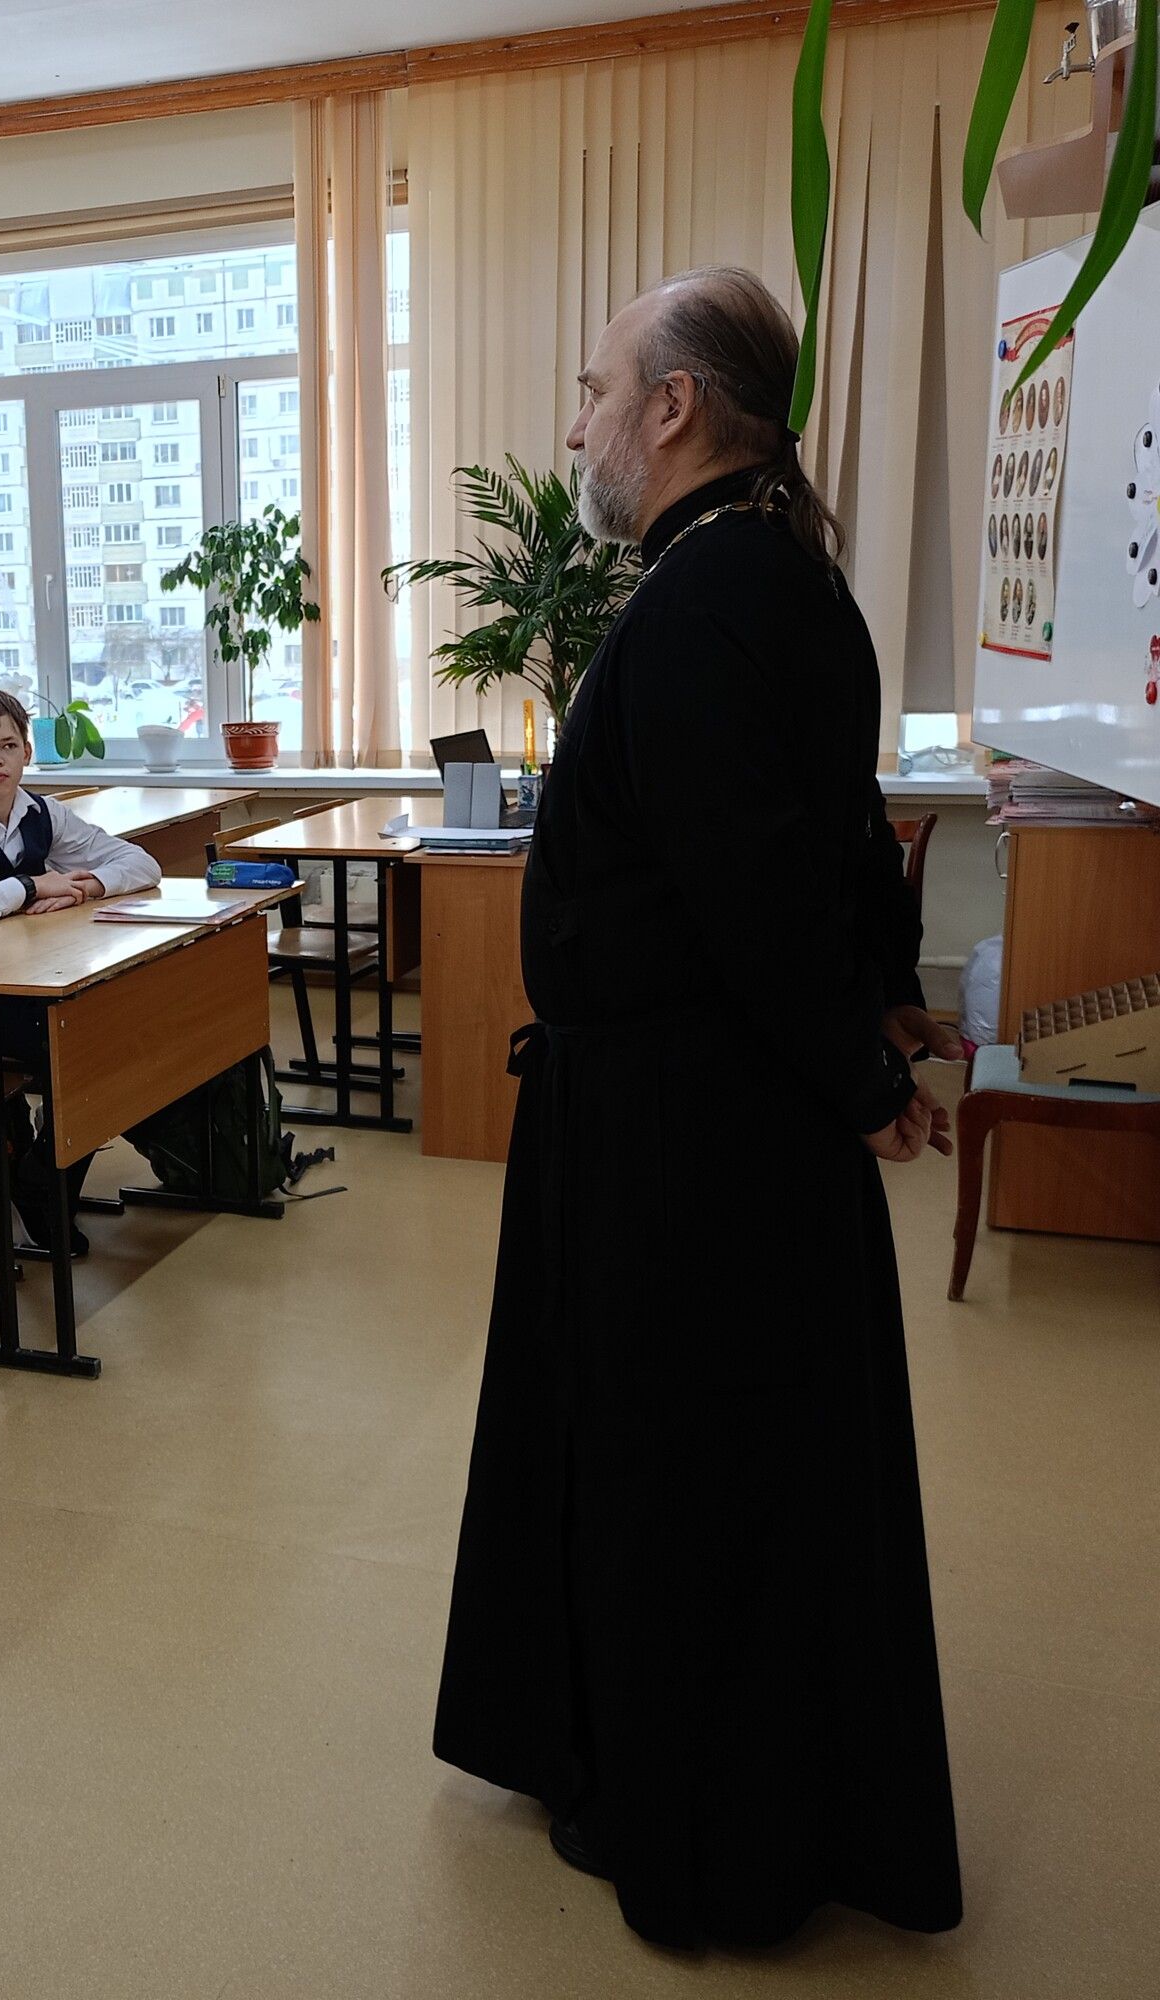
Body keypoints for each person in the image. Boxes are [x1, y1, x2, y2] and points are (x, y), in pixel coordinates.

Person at [432, 266, 963, 1950]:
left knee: (680, 1472)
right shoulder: (779, 577)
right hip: (701, 1110)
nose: (577, 426)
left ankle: (700, 1824)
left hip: (684, 1133)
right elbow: (840, 833)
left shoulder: (703, 598)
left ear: (672, 409)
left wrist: (863, 1071)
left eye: (597, 391)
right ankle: (662, 1758)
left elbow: (752, 888)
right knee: (725, 1463)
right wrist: (880, 1005)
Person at [0, 687, 161, 1251]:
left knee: (123, 1031)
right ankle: (44, 1182)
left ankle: (42, 1177)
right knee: (91, 1049)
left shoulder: (42, 812)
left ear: (26, 752)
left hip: (44, 984)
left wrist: (89, 886)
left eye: (7, 746)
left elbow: (142, 863)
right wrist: (29, 886)